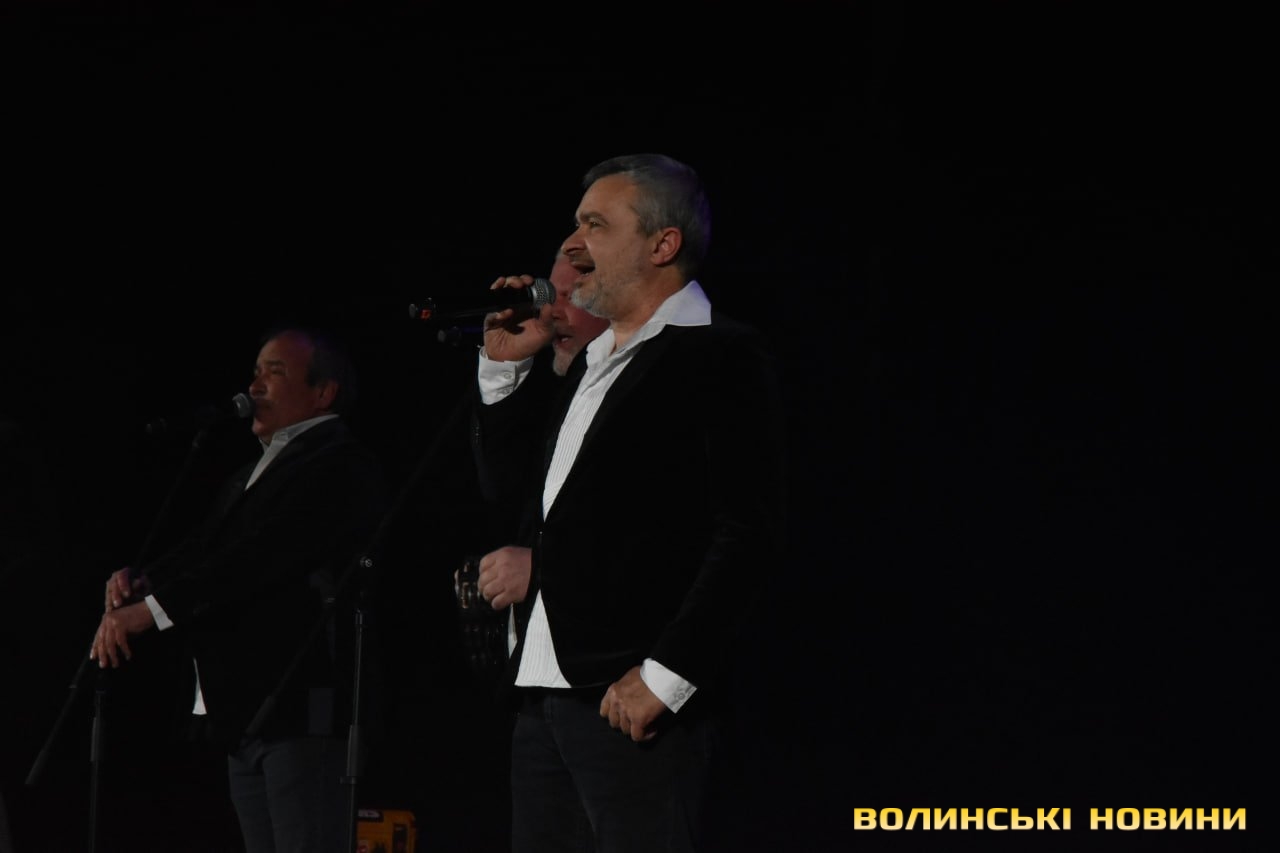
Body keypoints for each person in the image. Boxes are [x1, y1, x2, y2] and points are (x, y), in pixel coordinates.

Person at [472, 153, 786, 853]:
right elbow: (517, 499)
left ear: (662, 244)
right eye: (575, 224)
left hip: (627, 695)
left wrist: (667, 676)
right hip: (543, 693)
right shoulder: (595, 362)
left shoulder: (719, 355)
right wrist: (502, 371)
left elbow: (748, 532)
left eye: (595, 225)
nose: (573, 244)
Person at [90, 326, 389, 853]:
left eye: (275, 372)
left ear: (323, 393)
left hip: (301, 708)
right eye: (255, 372)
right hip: (248, 714)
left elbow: (259, 554)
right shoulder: (254, 471)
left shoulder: (339, 463)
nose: (254, 386)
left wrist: (152, 611)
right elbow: (206, 548)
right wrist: (144, 579)